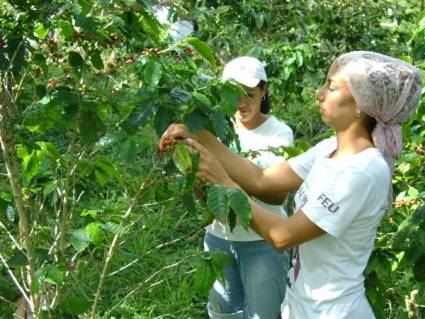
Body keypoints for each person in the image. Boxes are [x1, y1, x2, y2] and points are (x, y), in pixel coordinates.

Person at [159, 51, 422, 318]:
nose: (319, 94)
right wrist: (197, 133)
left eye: (331, 87)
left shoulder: (361, 171)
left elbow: (282, 235)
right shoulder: (329, 148)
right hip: (300, 305)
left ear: (362, 104)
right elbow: (261, 180)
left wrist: (223, 183)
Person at [205, 56, 294, 319]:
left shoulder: (279, 134)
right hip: (218, 238)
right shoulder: (216, 127)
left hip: (261, 243)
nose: (242, 102)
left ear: (264, 91)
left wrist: (223, 172)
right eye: (234, 94)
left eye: (249, 94)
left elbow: (276, 194)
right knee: (223, 312)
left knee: (263, 314)